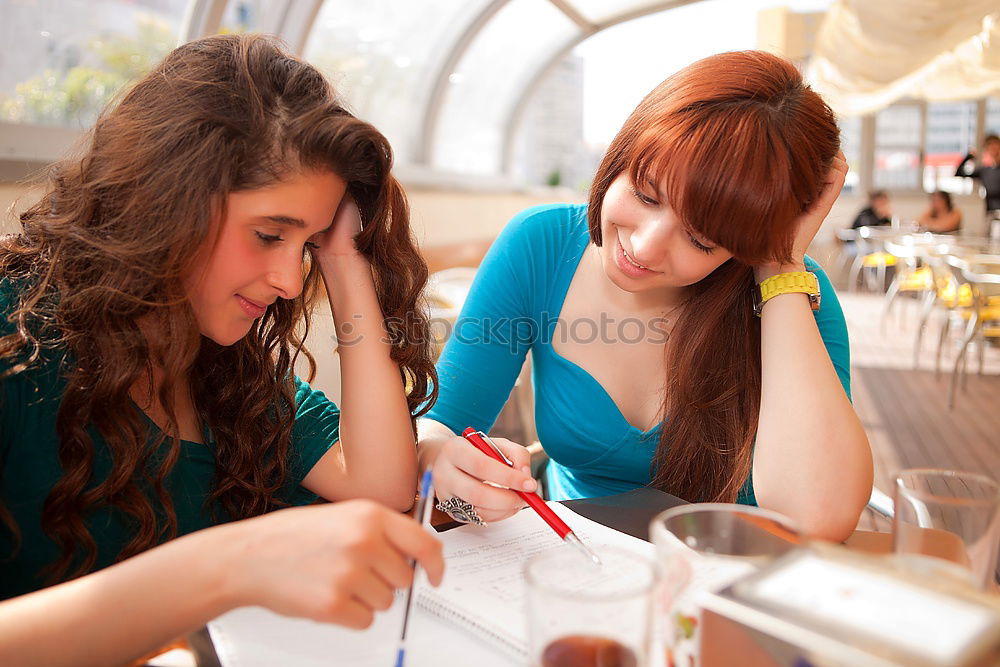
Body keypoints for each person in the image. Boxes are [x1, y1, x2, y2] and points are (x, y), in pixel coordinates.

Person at [0, 33, 443, 661]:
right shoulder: (13, 342)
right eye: (268, 234)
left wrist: (342, 260)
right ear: (165, 201)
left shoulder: (222, 363)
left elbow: (379, 486)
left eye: (307, 244)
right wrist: (226, 566)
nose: (291, 282)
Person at [417, 50, 872, 542]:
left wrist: (779, 263)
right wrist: (443, 462)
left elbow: (818, 520)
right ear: (622, 154)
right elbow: (440, 425)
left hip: (722, 583)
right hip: (573, 563)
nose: (644, 246)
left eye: (702, 239)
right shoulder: (541, 244)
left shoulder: (795, 297)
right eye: (646, 194)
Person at [955, 134, 1000, 215]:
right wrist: (968, 157)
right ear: (986, 149)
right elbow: (959, 173)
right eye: (989, 145)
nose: (994, 148)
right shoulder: (985, 171)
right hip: (991, 213)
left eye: (996, 144)